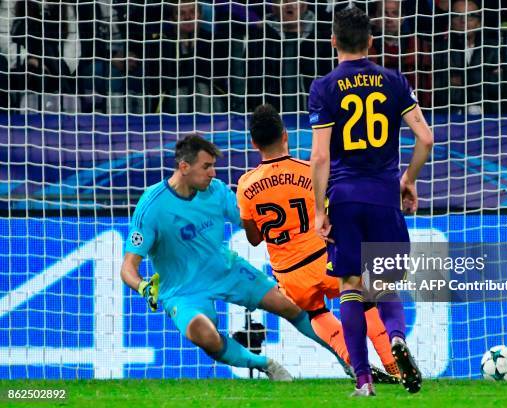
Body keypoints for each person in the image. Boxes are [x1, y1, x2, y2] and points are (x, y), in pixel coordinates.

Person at [120, 135, 336, 381]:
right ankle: (266, 364)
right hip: (183, 291)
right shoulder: (152, 206)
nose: (213, 173)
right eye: (206, 167)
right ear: (184, 167)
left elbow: (251, 223)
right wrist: (143, 287)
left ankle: (349, 362)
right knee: (204, 335)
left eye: (213, 166)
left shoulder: (216, 192)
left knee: (293, 306)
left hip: (226, 270)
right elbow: (128, 267)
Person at [308, 7, 433, 396]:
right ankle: (396, 337)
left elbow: (320, 157)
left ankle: (364, 381)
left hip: (344, 198)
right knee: (383, 284)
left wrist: (318, 209)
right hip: (384, 196)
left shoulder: (324, 87)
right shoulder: (394, 82)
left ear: (333, 42)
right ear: (371, 43)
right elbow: (426, 139)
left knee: (349, 285)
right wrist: (407, 179)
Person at [236, 103, 401, 383]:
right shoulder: (308, 172)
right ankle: (393, 363)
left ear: (254, 144)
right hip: (323, 258)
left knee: (316, 313)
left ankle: (353, 362)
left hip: (290, 274)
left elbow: (253, 239)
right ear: (285, 135)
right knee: (365, 302)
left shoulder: (245, 185)